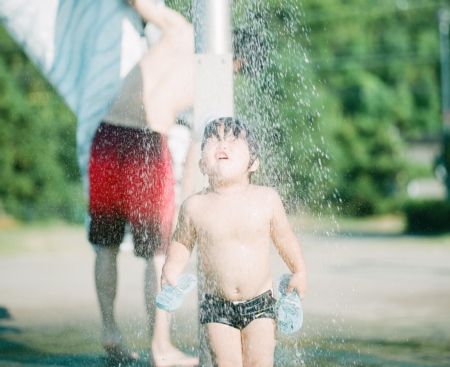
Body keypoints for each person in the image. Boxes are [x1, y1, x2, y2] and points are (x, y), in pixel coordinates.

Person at [89, 0, 198, 365]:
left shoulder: (181, 28)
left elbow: (140, 2)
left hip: (106, 137)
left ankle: (109, 330)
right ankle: (161, 348)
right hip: (146, 143)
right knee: (157, 253)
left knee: (106, 244)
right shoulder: (215, 79)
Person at [161, 117, 308, 367]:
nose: (222, 144)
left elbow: (284, 237)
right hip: (217, 306)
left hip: (261, 302)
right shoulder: (195, 206)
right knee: (225, 363)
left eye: (232, 140)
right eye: (214, 140)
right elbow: (182, 243)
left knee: (260, 363)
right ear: (201, 164)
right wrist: (172, 268)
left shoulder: (266, 199)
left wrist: (299, 270)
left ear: (254, 162)